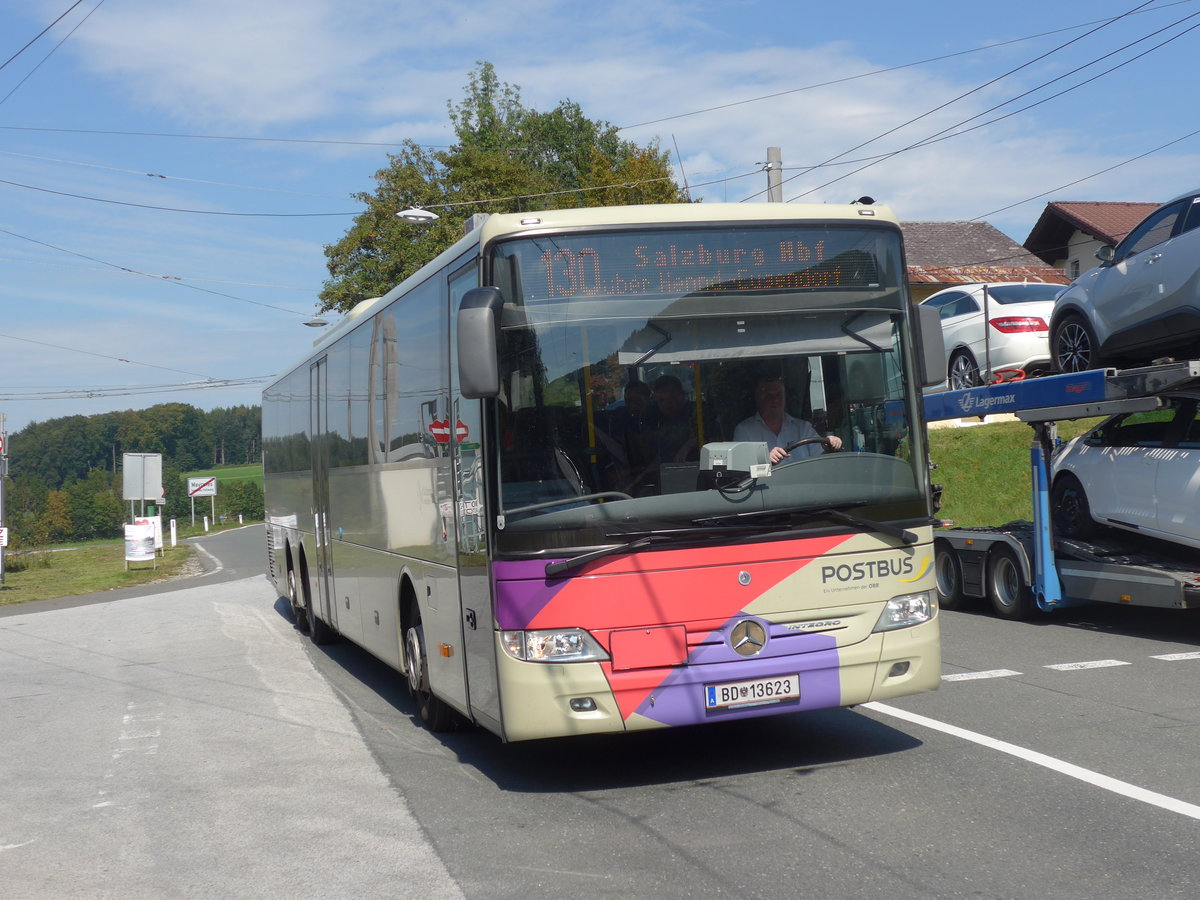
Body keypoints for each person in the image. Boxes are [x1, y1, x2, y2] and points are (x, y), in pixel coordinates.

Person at [733, 376, 842, 464]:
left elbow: (821, 462)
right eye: (769, 396)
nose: (775, 400)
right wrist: (764, 459)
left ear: (785, 397)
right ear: (758, 398)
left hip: (805, 487)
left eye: (778, 395)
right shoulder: (744, 431)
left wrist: (830, 448)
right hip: (764, 489)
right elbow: (738, 468)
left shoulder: (803, 428)